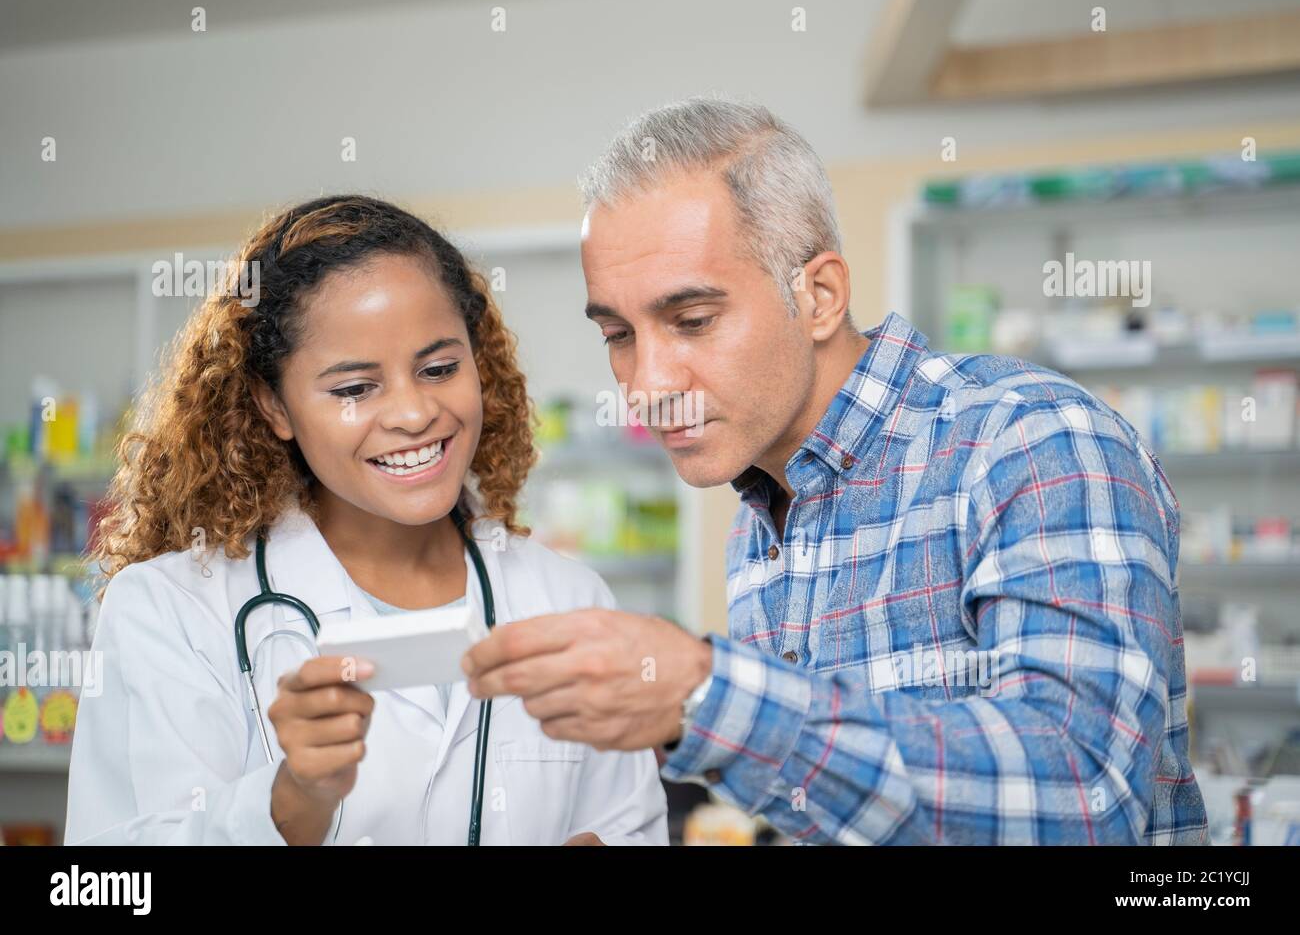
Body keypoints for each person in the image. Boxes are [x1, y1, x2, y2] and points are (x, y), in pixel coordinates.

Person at [462, 98, 1209, 845]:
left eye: (692, 321)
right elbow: (848, 811)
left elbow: (1082, 797)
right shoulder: (762, 530)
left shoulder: (1031, 441)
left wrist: (703, 691)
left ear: (818, 296)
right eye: (619, 335)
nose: (647, 384)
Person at [65, 195, 667, 846]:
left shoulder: (571, 601)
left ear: (479, 362)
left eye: (439, 369)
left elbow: (628, 830)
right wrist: (294, 797)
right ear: (275, 407)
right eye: (354, 388)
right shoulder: (173, 611)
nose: (412, 413)